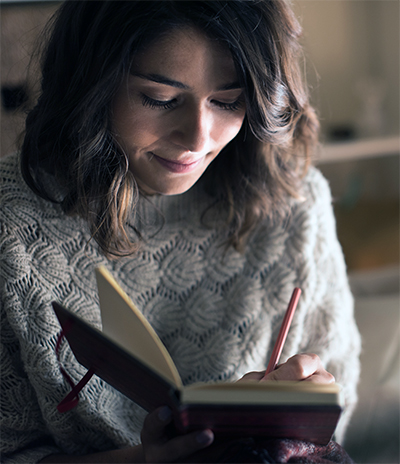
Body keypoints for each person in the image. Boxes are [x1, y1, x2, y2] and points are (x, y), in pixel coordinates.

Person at [0, 1, 361, 462]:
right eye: (160, 98)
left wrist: (299, 419)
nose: (197, 138)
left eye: (228, 101)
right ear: (90, 83)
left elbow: (340, 409)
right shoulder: (12, 220)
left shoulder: (295, 203)